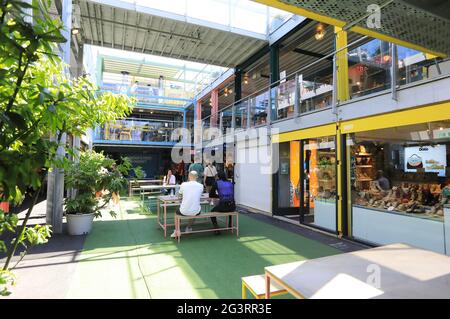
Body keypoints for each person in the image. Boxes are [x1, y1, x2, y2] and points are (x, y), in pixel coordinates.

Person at [171, 171, 204, 238]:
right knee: (194, 211)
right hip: (196, 211)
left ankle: (177, 230)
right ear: (197, 177)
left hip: (184, 210)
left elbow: (179, 195)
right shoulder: (201, 186)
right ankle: (188, 228)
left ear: (189, 176)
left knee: (176, 212)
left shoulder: (183, 184)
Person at [209, 171, 236, 235]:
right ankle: (230, 225)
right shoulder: (230, 183)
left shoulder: (217, 183)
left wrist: (219, 196)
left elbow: (211, 195)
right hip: (233, 206)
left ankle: (216, 228)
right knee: (230, 210)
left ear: (218, 176)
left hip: (223, 206)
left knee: (211, 212)